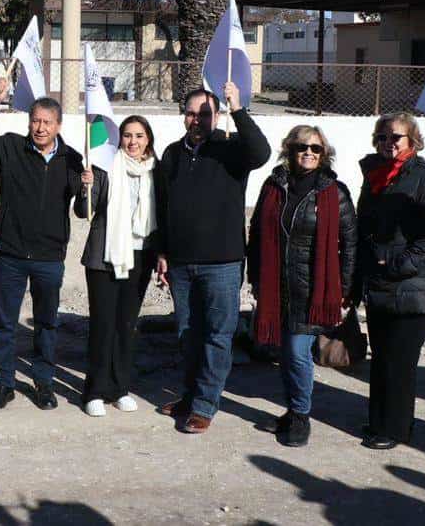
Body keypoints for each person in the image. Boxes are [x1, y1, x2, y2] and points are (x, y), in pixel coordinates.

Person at [155, 84, 271, 434]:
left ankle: (205, 405)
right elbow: (163, 207)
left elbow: (261, 152)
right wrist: (162, 251)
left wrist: (238, 109)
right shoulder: (173, 154)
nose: (197, 120)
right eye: (191, 113)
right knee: (188, 334)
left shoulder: (231, 149)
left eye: (205, 114)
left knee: (218, 336)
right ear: (183, 116)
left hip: (222, 263)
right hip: (181, 263)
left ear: (216, 116)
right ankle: (191, 395)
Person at [0, 80, 85, 412]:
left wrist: (87, 185)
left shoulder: (72, 159)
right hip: (12, 255)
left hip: (50, 258)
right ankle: (3, 384)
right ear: (28, 121)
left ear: (58, 125)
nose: (40, 128)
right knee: (4, 323)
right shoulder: (9, 147)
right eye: (35, 121)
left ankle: (43, 383)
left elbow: (81, 210)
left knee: (46, 323)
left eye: (47, 122)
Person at [247, 125, 358, 447]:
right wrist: (255, 279)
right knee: (285, 352)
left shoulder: (334, 192)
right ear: (290, 150)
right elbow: (256, 235)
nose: (308, 152)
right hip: (276, 287)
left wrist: (346, 291)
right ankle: (292, 411)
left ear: (324, 154)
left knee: (297, 354)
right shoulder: (273, 186)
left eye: (315, 148)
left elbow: (349, 244)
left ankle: (300, 416)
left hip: (313, 289)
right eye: (301, 147)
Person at [354, 111, 425, 450]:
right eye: (382, 137)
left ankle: (395, 429)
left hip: (413, 287)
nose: (388, 143)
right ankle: (380, 421)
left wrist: (392, 263)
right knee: (381, 357)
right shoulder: (377, 177)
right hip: (380, 284)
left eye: (396, 137)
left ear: (412, 141)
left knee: (399, 360)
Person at [74, 115, 160, 418]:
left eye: (139, 135)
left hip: (140, 256)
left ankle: (120, 388)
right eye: (127, 135)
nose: (133, 142)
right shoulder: (105, 166)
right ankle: (95, 390)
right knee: (103, 324)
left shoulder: (155, 170)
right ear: (119, 138)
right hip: (105, 256)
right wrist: (85, 188)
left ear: (148, 138)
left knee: (126, 325)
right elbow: (84, 209)